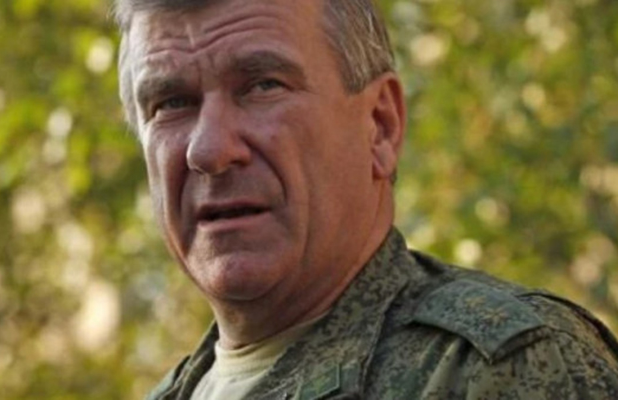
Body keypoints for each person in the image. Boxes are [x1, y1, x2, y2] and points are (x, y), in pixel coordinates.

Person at [113, 0, 618, 398]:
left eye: (263, 86)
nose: (209, 150)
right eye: (171, 103)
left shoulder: (502, 369)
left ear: (380, 126)